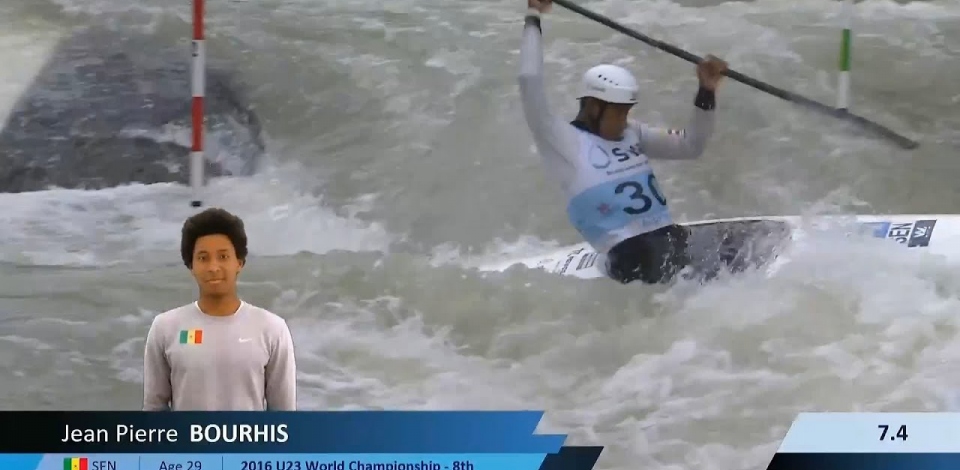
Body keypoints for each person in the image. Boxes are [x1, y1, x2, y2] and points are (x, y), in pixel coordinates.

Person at [519, 0, 729, 284]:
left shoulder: (633, 132)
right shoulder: (561, 141)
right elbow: (529, 80)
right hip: (628, 256)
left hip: (670, 239)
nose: (624, 118)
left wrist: (706, 90)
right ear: (593, 107)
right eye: (618, 111)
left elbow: (692, 145)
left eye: (627, 110)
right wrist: (534, 15)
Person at [142, 208, 297, 410]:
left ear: (239, 263)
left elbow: (284, 415)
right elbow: (154, 408)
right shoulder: (166, 328)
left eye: (223, 257)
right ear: (191, 266)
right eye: (203, 258)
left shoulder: (271, 329)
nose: (213, 267)